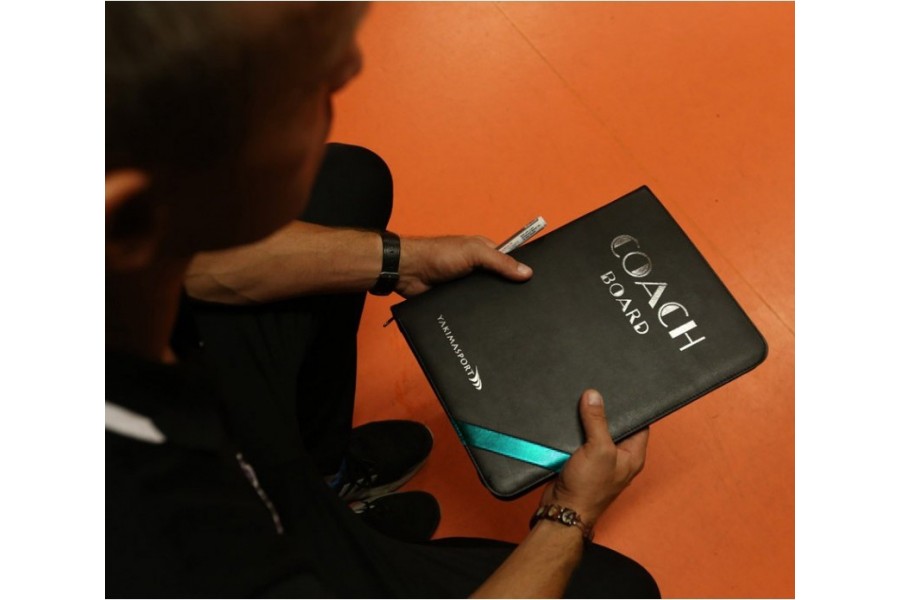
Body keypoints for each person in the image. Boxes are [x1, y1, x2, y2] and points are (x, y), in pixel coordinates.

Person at [105, 2, 660, 597]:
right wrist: (568, 514)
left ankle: (323, 480)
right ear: (131, 217)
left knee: (345, 183)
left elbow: (193, 259)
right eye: (309, 93)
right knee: (620, 591)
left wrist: (402, 260)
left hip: (199, 410)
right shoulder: (163, 541)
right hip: (245, 533)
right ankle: (325, 527)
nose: (351, 70)